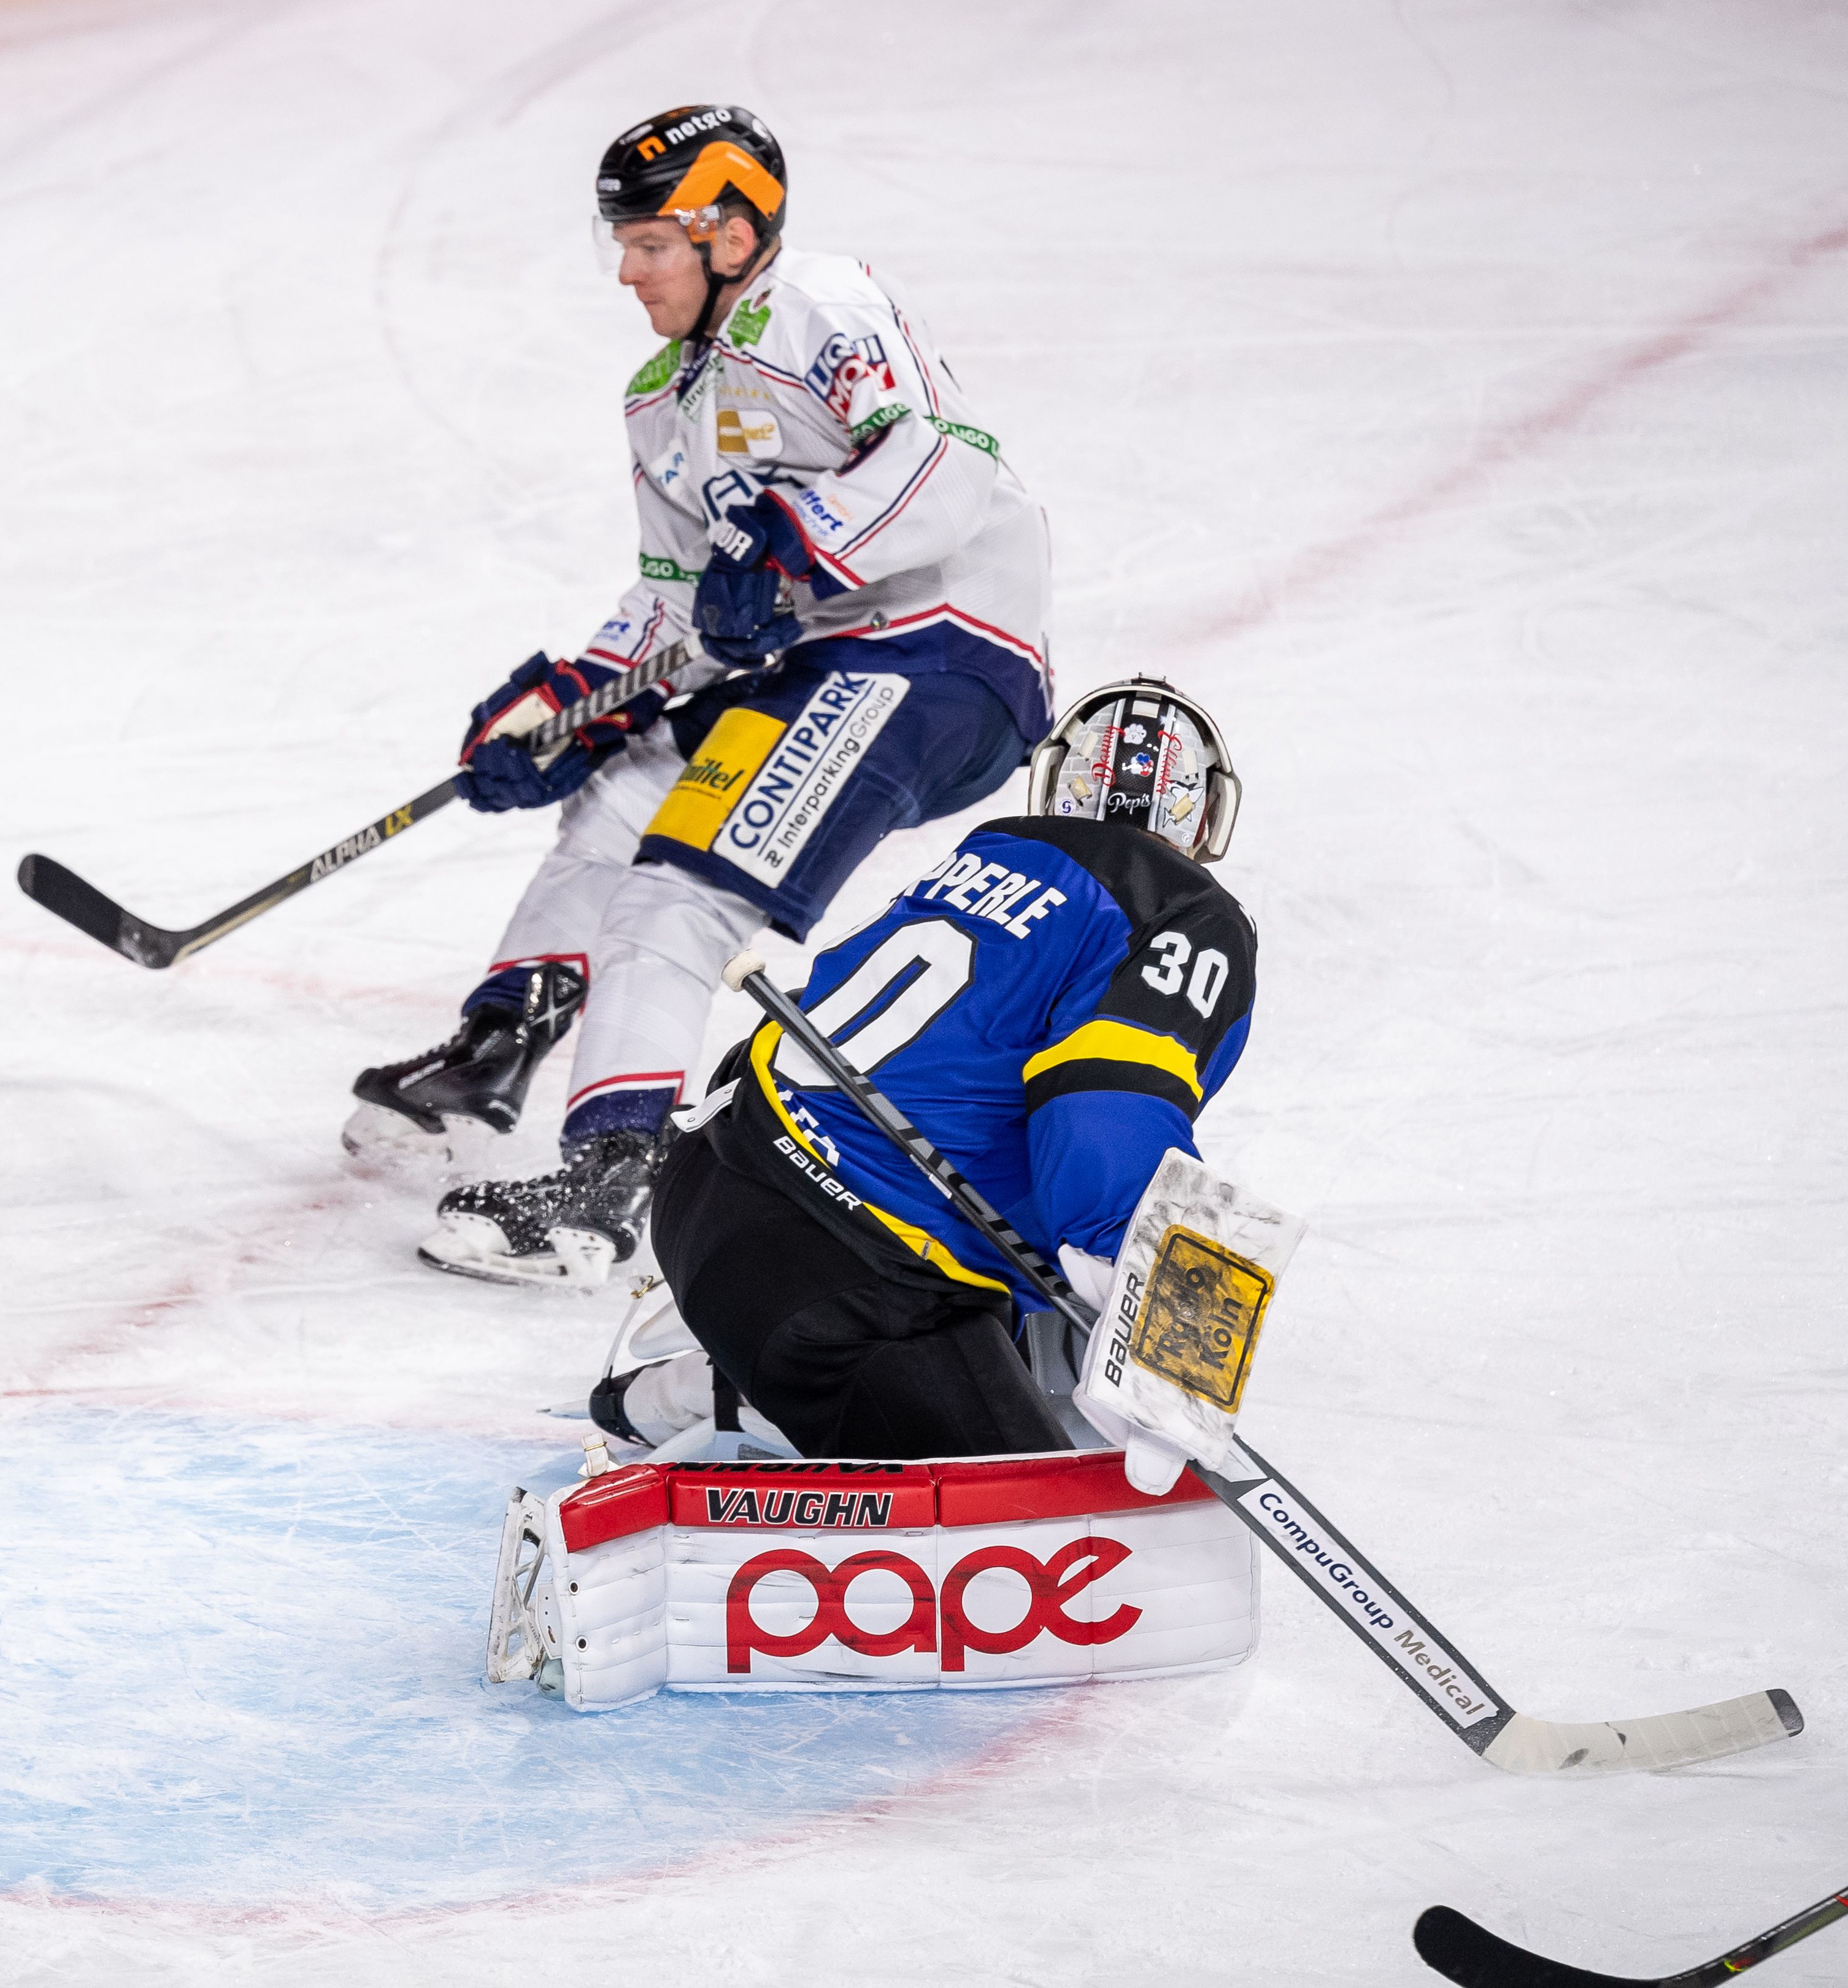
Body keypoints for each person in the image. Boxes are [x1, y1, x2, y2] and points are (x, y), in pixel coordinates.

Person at [345, 103, 1056, 1285]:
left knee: (683, 887)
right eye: (619, 243)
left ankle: (610, 1177)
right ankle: (501, 1037)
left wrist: (796, 546)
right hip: (815, 663)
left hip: (938, 653)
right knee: (625, 789)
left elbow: (947, 466)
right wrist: (575, 700)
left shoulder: (823, 307)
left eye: (651, 244)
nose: (625, 271)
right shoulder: (659, 403)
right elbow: (682, 602)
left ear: (731, 234)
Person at [588, 678, 1254, 1463]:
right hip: (855, 1286)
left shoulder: (990, 853)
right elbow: (1108, 1104)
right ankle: (749, 1386)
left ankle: (689, 1388)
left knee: (1031, 1320)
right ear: (1204, 811)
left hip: (710, 1180)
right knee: (1039, 1521)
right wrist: (1168, 1345)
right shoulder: (1189, 914)